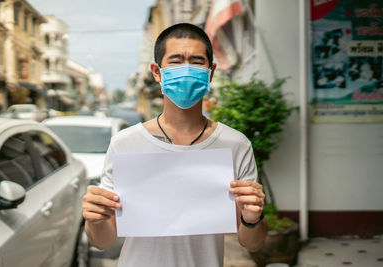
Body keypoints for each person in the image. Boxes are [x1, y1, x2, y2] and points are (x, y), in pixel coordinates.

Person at [82, 23, 267, 266]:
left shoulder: (235, 145)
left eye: (197, 61)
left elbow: (252, 243)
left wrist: (252, 217)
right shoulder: (125, 144)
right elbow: (102, 241)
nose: (187, 69)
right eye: (176, 60)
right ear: (157, 72)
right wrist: (94, 219)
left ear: (210, 71)